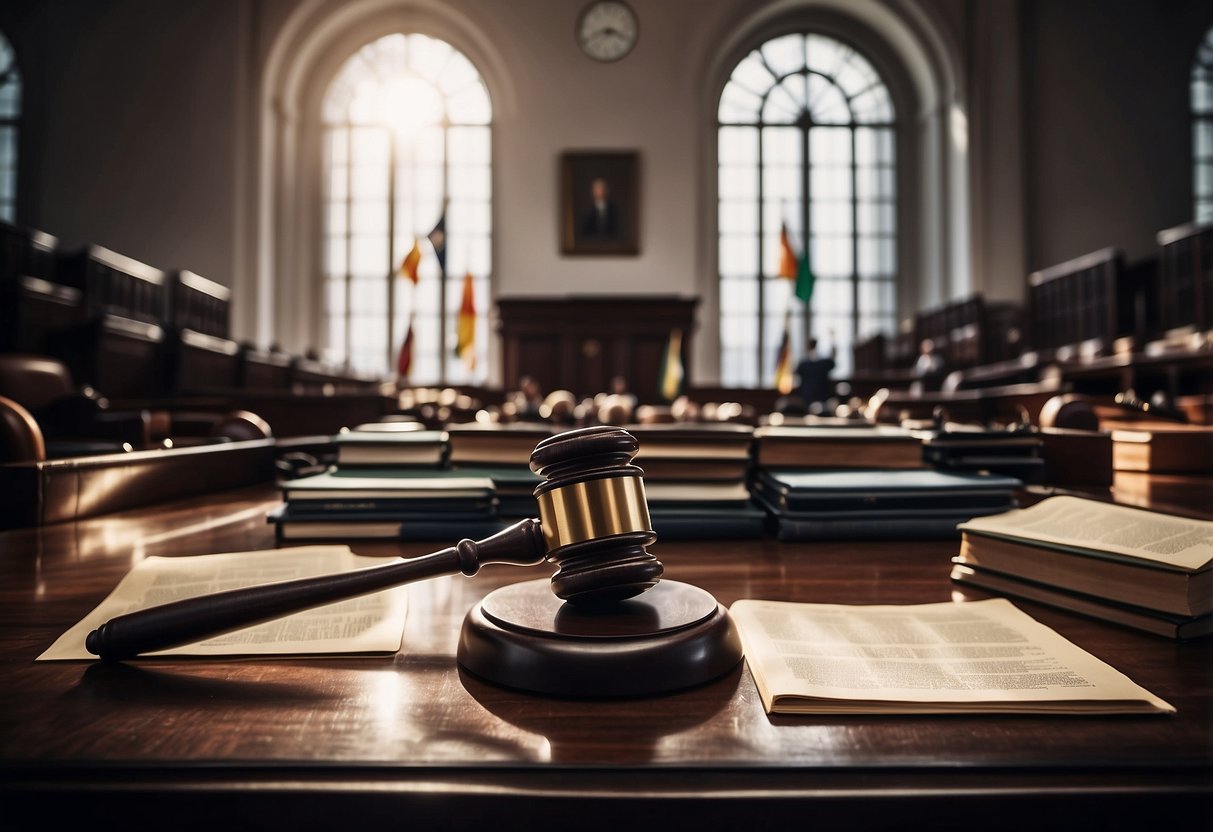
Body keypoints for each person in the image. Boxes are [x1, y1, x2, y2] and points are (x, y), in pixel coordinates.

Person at [793, 337, 835, 413]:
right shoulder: (824, 362)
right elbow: (832, 363)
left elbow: (796, 374)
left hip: (811, 394)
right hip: (818, 394)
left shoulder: (803, 363)